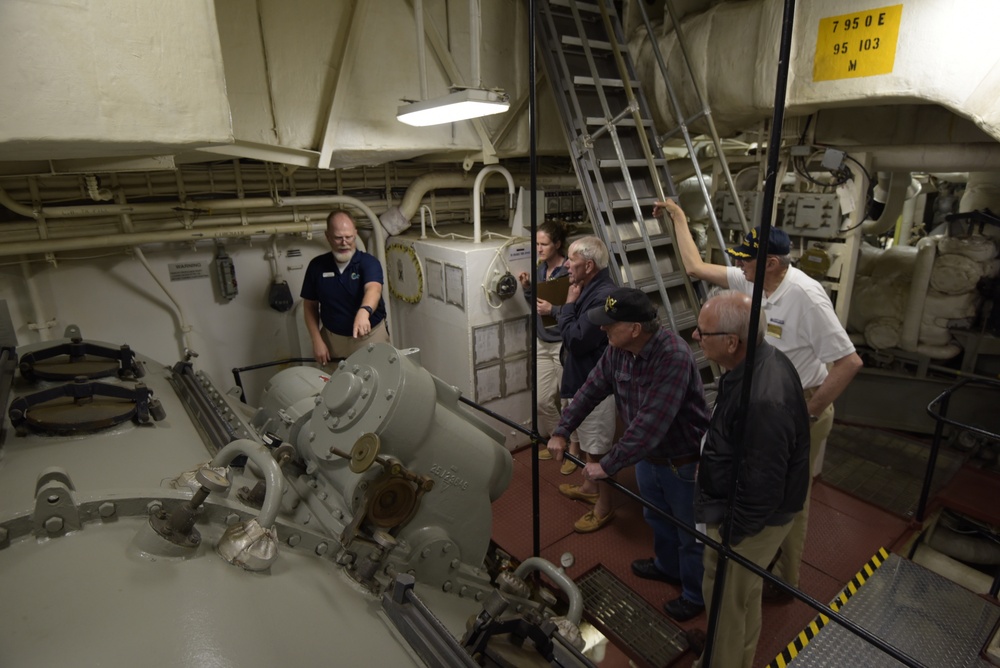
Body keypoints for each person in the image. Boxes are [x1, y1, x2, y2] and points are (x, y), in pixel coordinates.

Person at [655, 198, 863, 600]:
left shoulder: (807, 295)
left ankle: (786, 581)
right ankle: (756, 556)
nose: (740, 266)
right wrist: (678, 217)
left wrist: (810, 411)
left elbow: (849, 362)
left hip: (799, 403)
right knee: (753, 484)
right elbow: (696, 267)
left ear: (770, 262)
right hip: (760, 400)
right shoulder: (751, 280)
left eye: (747, 260)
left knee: (792, 499)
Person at [548, 287, 711, 622]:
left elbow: (651, 424)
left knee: (690, 534)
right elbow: (591, 389)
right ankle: (667, 568)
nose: (603, 329)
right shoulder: (618, 351)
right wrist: (562, 429)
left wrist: (606, 465)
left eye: (611, 324)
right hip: (649, 461)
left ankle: (695, 595)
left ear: (635, 328)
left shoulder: (673, 357)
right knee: (656, 519)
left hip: (682, 463)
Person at [692, 291, 811, 668]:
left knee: (726, 598)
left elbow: (761, 486)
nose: (696, 337)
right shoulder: (758, 364)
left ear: (731, 342)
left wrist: (730, 535)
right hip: (755, 511)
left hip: (750, 519)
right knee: (744, 593)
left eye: (703, 332)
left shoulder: (763, 398)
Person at [538, 236, 618, 531]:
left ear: (590, 265)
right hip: (582, 378)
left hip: (595, 385)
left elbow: (577, 338)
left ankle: (605, 506)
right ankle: (588, 488)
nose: (567, 265)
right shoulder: (589, 286)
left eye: (572, 260)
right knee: (586, 440)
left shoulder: (603, 295)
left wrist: (568, 305)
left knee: (598, 451)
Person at [301, 209, 389, 366]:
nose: (344, 242)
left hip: (369, 337)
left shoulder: (368, 263)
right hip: (333, 340)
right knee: (337, 385)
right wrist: (317, 340)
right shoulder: (317, 266)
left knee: (378, 381)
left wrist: (364, 312)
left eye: (348, 237)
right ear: (328, 236)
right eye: (338, 238)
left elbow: (374, 289)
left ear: (355, 233)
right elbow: (309, 306)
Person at [517, 220, 570, 455]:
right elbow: (536, 305)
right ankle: (557, 440)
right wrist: (528, 287)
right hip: (542, 342)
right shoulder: (540, 269)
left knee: (569, 402)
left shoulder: (568, 271)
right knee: (542, 401)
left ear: (557, 244)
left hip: (562, 344)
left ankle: (574, 453)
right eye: (537, 244)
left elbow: (575, 311)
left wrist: (553, 310)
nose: (539, 248)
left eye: (544, 244)